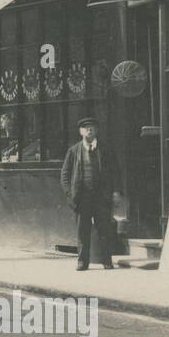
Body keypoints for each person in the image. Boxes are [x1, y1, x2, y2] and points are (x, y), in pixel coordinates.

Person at [60, 116, 118, 271]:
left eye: (92, 128)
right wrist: (69, 195)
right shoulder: (73, 151)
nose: (89, 131)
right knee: (82, 230)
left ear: (96, 131)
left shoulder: (105, 149)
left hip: (101, 196)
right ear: (80, 132)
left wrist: (115, 192)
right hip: (82, 197)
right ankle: (82, 262)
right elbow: (65, 175)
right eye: (86, 128)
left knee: (104, 229)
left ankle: (107, 261)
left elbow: (114, 172)